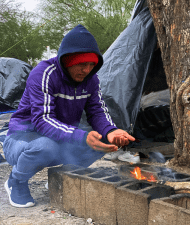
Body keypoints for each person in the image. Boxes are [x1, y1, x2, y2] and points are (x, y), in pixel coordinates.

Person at [3, 24, 135, 208]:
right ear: (66, 61)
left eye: (91, 65)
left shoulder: (91, 80)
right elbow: (43, 120)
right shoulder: (43, 74)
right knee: (47, 146)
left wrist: (110, 131)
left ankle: (62, 177)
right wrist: (81, 136)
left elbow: (97, 111)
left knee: (101, 143)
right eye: (81, 64)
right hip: (22, 139)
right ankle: (15, 181)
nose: (87, 70)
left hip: (58, 138)